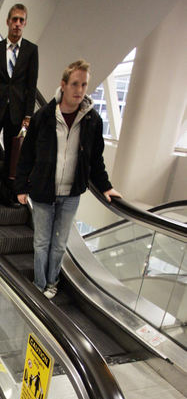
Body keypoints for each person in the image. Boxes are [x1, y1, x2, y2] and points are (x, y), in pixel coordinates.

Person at [15, 59, 121, 299]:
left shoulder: (92, 121)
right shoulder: (43, 116)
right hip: (43, 190)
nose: (79, 90)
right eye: (75, 84)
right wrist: (21, 186)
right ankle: (39, 285)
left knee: (60, 244)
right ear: (63, 85)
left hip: (71, 193)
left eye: (84, 85)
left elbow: (95, 159)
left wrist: (106, 186)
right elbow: (27, 154)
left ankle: (52, 282)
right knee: (42, 242)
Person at [0, 4, 39, 208]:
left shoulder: (31, 51)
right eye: (14, 19)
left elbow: (31, 86)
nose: (17, 24)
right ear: (7, 22)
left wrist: (28, 115)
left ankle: (8, 194)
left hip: (17, 112)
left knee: (13, 156)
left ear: (25, 24)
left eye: (21, 20)